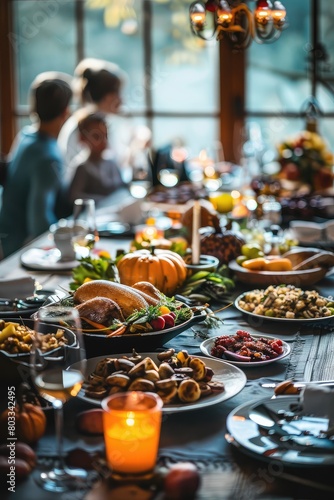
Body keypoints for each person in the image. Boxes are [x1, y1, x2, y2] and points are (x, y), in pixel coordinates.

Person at [0, 74, 72, 258]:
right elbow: (39, 222)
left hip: (6, 236)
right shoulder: (48, 157)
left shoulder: (26, 136)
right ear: (66, 112)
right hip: (20, 250)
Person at [58, 58, 127, 182]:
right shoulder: (86, 127)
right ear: (106, 97)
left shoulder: (101, 122)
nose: (122, 100)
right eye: (118, 93)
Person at [68, 111, 126, 204]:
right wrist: (108, 200)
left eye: (105, 136)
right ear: (83, 138)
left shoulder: (111, 163)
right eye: (96, 136)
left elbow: (123, 188)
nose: (103, 141)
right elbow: (74, 197)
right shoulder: (82, 167)